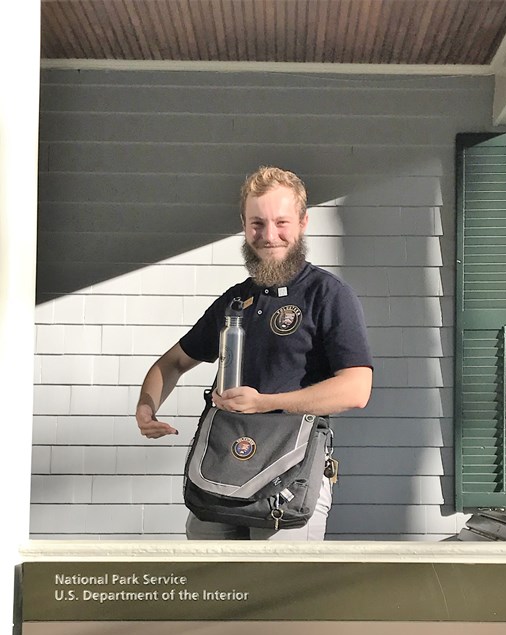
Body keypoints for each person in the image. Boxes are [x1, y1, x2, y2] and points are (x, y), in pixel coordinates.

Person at [136, 166, 373, 540]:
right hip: (221, 472)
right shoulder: (234, 301)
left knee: (279, 594)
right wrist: (146, 407)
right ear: (244, 225)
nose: (269, 235)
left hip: (290, 476)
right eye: (257, 223)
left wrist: (265, 402)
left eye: (281, 222)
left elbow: (356, 389)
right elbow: (172, 363)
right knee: (210, 590)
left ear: (303, 222)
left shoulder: (329, 296)